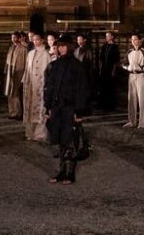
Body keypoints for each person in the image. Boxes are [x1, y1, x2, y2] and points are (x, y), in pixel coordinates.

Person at [44, 40, 89, 185]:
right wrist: (48, 107)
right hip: (57, 108)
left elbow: (82, 90)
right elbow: (49, 87)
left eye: (64, 46)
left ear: (69, 47)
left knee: (70, 140)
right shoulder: (54, 65)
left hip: (70, 108)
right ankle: (61, 171)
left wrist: (79, 111)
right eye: (59, 46)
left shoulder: (77, 66)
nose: (61, 49)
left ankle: (70, 173)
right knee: (59, 141)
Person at [23, 33, 50, 142]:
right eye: (34, 40)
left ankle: (40, 134)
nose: (35, 42)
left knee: (40, 110)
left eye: (37, 40)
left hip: (40, 85)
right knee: (30, 109)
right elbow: (27, 69)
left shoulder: (45, 54)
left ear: (42, 41)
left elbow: (48, 71)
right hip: (31, 85)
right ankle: (30, 132)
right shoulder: (30, 53)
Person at [123, 34, 144, 129]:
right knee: (131, 99)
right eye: (132, 39)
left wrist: (141, 67)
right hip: (131, 76)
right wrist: (128, 68)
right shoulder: (129, 52)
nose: (133, 41)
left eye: (135, 39)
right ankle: (132, 121)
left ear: (140, 40)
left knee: (143, 99)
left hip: (141, 75)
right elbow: (124, 64)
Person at [5, 32, 27, 120]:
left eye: (15, 37)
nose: (13, 39)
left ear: (18, 38)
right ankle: (12, 112)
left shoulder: (23, 49)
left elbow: (26, 62)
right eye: (12, 37)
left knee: (17, 93)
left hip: (19, 72)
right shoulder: (11, 48)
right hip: (10, 73)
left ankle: (18, 112)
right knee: (10, 92)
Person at [97, 32, 120, 111]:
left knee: (111, 88)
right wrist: (100, 69)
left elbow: (116, 60)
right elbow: (101, 59)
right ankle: (103, 105)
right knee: (103, 87)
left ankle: (111, 106)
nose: (107, 37)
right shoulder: (104, 46)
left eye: (108, 36)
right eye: (106, 36)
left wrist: (113, 71)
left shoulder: (115, 47)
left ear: (112, 37)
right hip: (104, 69)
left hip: (111, 69)